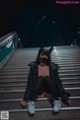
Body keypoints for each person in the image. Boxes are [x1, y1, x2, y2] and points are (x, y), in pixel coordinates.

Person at [20, 46, 71, 115]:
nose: (44, 56)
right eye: (42, 54)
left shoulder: (52, 67)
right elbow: (30, 83)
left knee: (47, 77)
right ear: (39, 56)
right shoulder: (34, 66)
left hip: (50, 89)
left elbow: (58, 83)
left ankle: (57, 100)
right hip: (38, 89)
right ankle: (31, 102)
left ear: (48, 57)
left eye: (46, 55)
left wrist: (65, 97)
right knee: (40, 77)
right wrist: (25, 99)